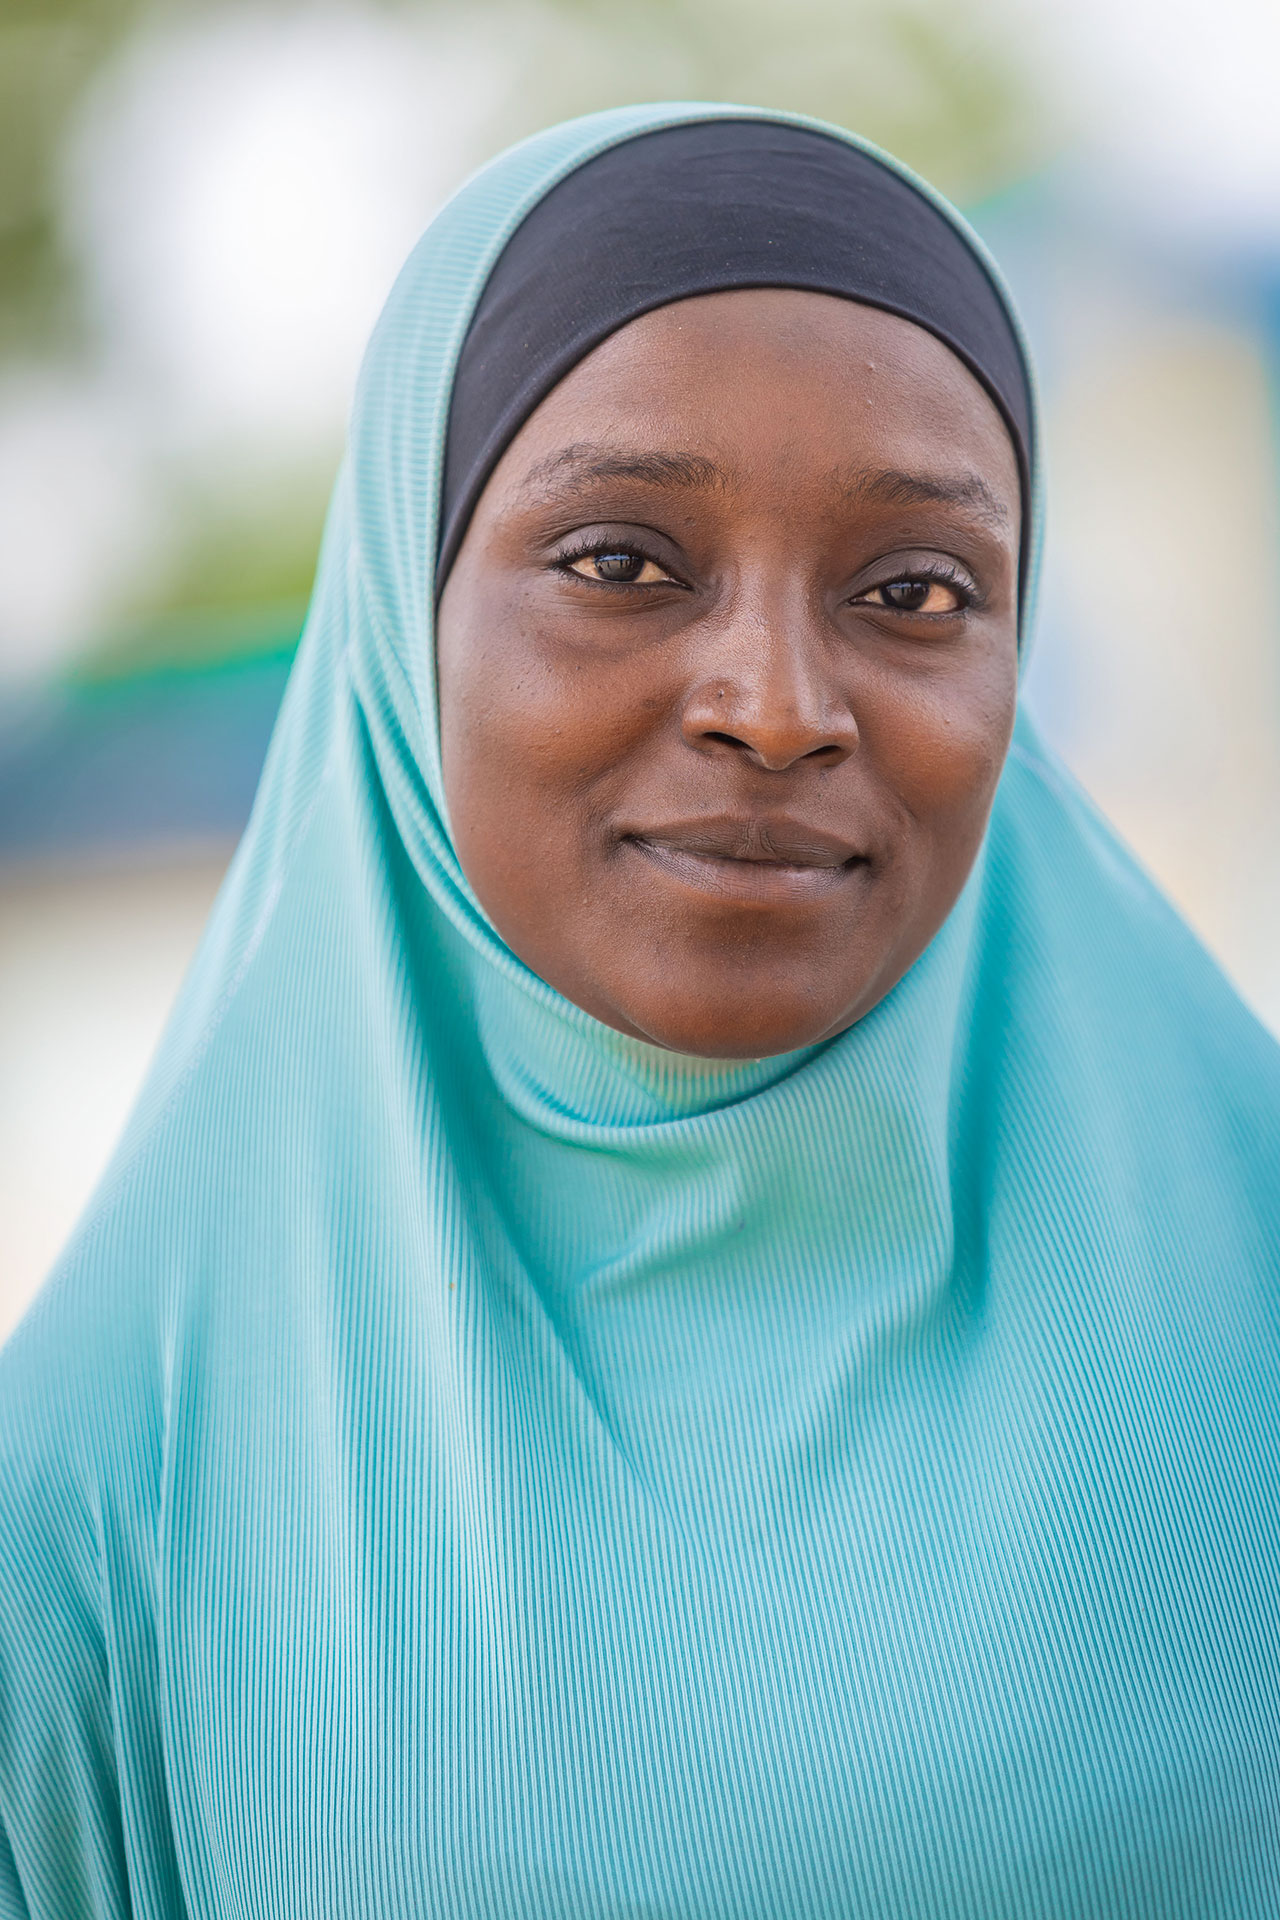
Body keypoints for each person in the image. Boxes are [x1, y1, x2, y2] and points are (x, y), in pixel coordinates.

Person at [1, 104, 1278, 1920]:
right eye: (621, 562)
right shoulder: (91, 1512)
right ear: (401, 614)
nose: (776, 702)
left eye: (915, 591)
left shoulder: (1255, 1287)